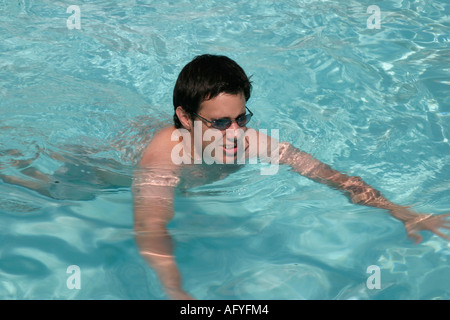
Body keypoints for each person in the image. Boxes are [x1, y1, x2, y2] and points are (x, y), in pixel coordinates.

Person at [133, 54, 449, 300]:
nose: (234, 133)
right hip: (108, 166)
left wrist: (400, 211)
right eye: (219, 123)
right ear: (185, 118)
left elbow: (331, 176)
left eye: (240, 118)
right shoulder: (164, 157)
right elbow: (151, 225)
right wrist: (175, 290)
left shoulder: (250, 141)